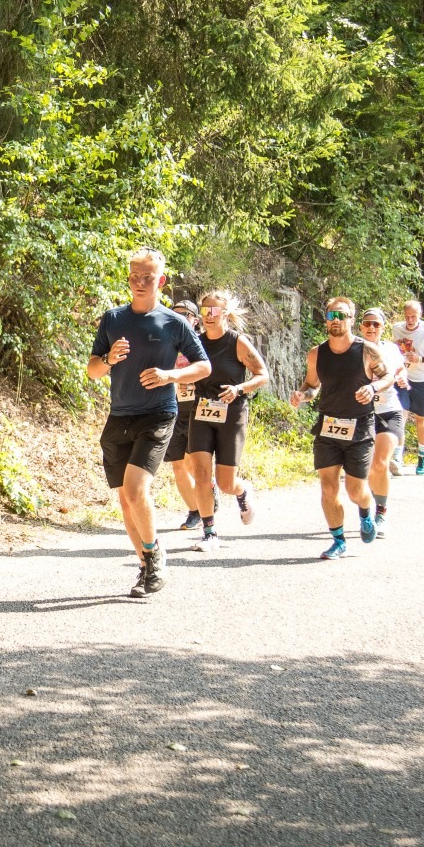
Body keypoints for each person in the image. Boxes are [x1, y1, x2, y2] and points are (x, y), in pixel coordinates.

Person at [87, 253, 211, 597]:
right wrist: (108, 359)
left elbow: (204, 366)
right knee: (126, 499)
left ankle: (155, 555)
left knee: (136, 489)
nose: (140, 282)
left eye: (148, 277)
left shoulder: (174, 323)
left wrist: (171, 375)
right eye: (134, 276)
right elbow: (93, 370)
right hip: (119, 416)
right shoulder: (113, 319)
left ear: (161, 281)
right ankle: (145, 566)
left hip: (158, 414)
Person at [290, 297, 399, 561]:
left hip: (360, 427)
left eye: (341, 315)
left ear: (351, 319)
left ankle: (366, 512)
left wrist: (372, 387)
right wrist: (302, 395)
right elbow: (312, 385)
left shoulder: (367, 351)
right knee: (328, 488)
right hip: (328, 427)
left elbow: (388, 376)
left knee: (354, 490)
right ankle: (338, 541)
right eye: (331, 316)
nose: (336, 320)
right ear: (326, 320)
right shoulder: (317, 354)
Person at [184, 290, 269, 552]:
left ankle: (242, 492)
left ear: (225, 313)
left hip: (232, 414)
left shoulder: (237, 342)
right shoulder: (195, 343)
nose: (208, 315)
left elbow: (262, 375)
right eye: (204, 310)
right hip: (202, 411)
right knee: (201, 474)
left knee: (225, 483)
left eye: (214, 310)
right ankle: (210, 533)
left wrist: (239, 389)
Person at [360, 308, 409, 536]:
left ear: (382, 328)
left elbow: (400, 369)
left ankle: (381, 512)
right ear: (360, 326)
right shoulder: (353, 348)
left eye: (376, 324)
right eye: (367, 323)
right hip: (361, 414)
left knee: (379, 464)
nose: (371, 328)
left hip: (389, 411)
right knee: (366, 469)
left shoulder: (390, 349)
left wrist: (401, 377)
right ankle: (368, 507)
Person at [389, 300, 424, 475]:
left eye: (413, 316)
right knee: (401, 414)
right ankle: (397, 457)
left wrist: (420, 359)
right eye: (407, 316)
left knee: (420, 418)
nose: (410, 320)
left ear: (420, 315)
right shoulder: (397, 329)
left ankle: (422, 454)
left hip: (422, 380)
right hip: (402, 378)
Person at [164, 299, 206, 533]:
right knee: (178, 465)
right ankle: (195, 510)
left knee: (193, 463)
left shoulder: (202, 343)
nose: (179, 318)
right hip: (172, 408)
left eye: (184, 314)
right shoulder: (165, 342)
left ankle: (207, 493)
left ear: (195, 320)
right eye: (175, 313)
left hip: (197, 408)